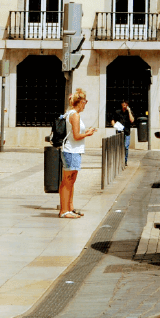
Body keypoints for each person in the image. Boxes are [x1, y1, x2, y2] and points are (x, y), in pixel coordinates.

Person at [58, 88, 97, 219]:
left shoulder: (71, 113)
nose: (86, 103)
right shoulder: (75, 115)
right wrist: (88, 133)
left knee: (70, 181)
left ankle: (70, 208)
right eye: (85, 101)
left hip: (73, 150)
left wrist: (86, 132)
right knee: (68, 181)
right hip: (71, 150)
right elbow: (76, 136)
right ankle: (64, 210)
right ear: (79, 102)